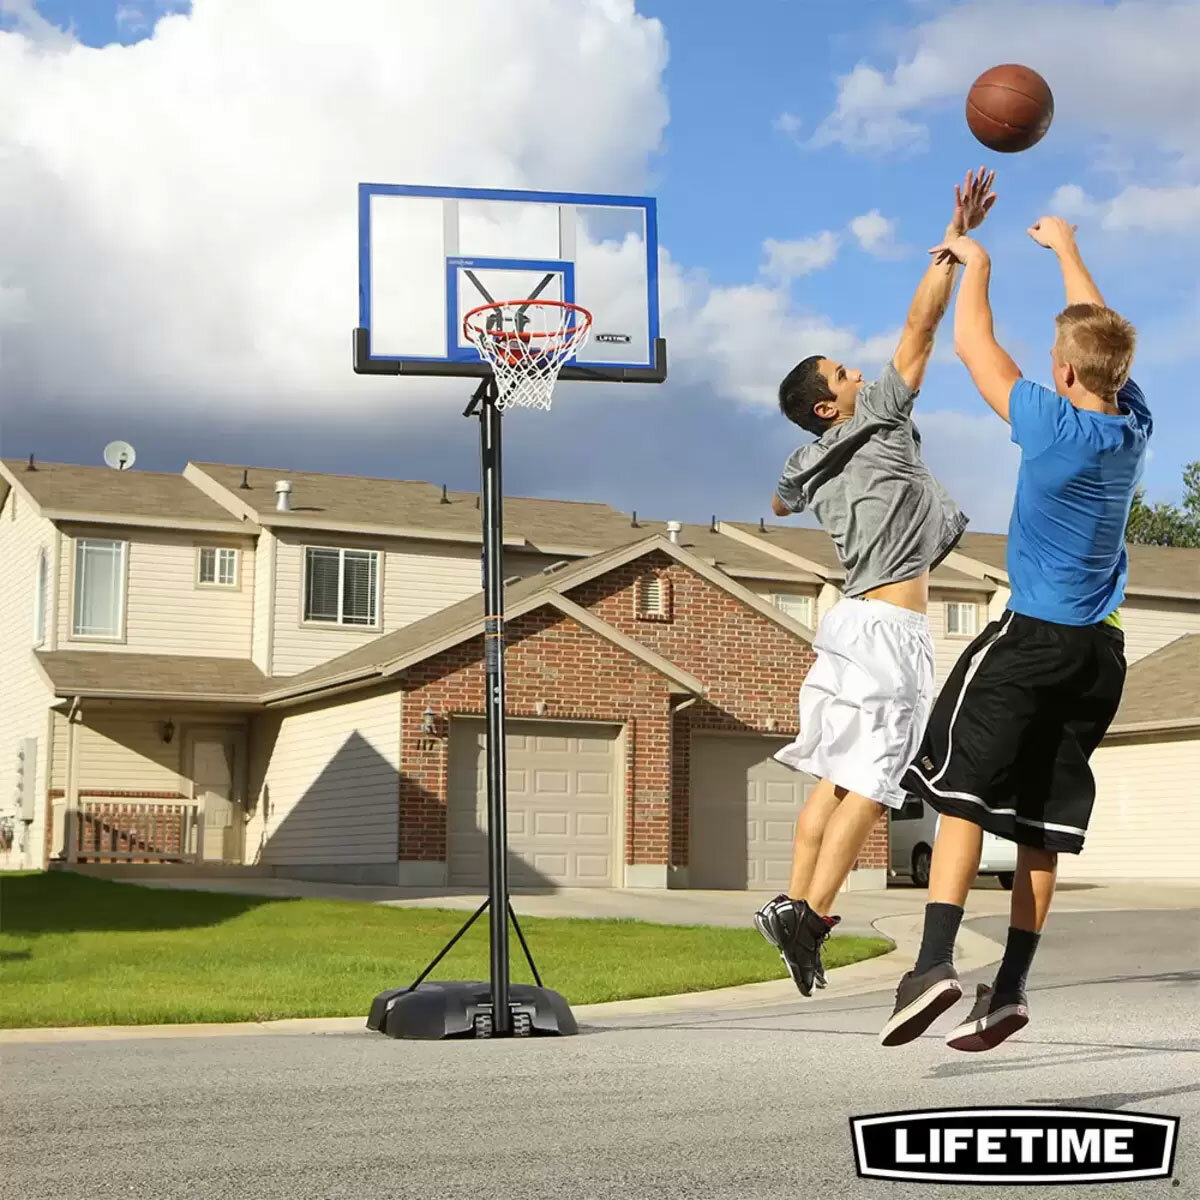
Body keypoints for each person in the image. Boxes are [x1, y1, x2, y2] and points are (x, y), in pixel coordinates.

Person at [879, 216, 1151, 1052]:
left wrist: (980, 261)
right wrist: (1068, 251)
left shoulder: (1049, 422)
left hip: (1031, 639)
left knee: (957, 789)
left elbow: (971, 342)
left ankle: (932, 965)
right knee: (1039, 827)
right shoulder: (1132, 425)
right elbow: (1101, 335)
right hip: (1101, 656)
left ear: (1062, 372)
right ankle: (1011, 989)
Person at [754, 170, 997, 995]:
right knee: (873, 779)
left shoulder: (807, 458)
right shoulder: (875, 421)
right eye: (844, 375)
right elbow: (920, 327)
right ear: (830, 406)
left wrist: (801, 481)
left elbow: (779, 497)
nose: (859, 374)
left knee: (832, 775)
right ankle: (811, 916)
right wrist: (952, 245)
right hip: (888, 631)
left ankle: (791, 904)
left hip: (844, 626)